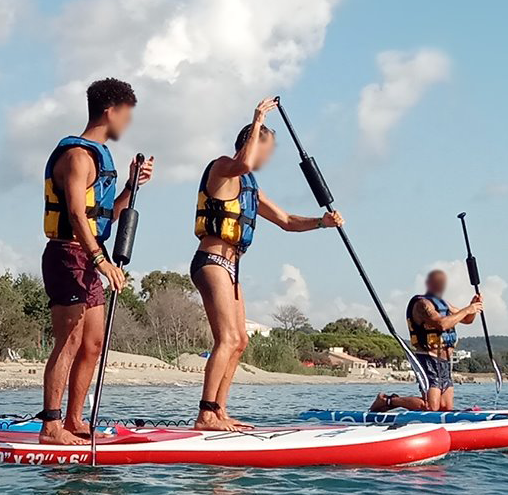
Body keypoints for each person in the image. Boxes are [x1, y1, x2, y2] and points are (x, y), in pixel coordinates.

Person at [190, 97, 343, 431]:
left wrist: (322, 222)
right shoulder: (223, 167)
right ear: (252, 142)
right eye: (267, 148)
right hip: (212, 260)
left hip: (232, 267)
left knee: (240, 341)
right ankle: (205, 415)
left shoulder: (249, 186)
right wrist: (258, 118)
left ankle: (219, 411)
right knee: (227, 339)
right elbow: (244, 163)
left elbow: (287, 220)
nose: (269, 157)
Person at [38, 78, 153, 445]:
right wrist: (102, 260)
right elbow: (74, 214)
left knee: (92, 344)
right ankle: (51, 426)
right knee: (68, 341)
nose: (128, 123)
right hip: (68, 256)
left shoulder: (99, 159)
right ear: (111, 111)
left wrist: (131, 187)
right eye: (127, 114)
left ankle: (74, 420)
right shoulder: (77, 157)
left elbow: (105, 214)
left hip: (87, 257)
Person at [370, 270, 481, 413]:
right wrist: (468, 309)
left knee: (446, 408)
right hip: (428, 359)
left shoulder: (444, 304)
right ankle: (388, 400)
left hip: (445, 362)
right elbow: (441, 324)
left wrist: (473, 306)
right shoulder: (422, 305)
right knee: (430, 407)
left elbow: (467, 319)